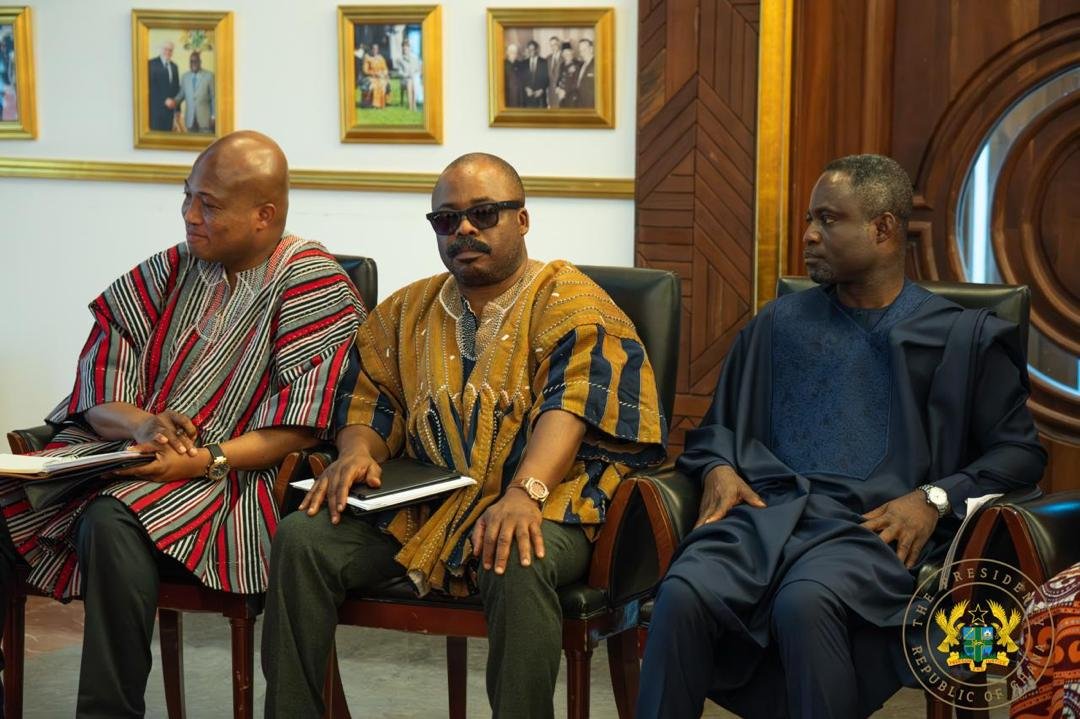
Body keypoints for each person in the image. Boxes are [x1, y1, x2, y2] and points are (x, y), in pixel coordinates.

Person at [636, 154, 1047, 718]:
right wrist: (719, 468)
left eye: (828, 220)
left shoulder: (964, 338)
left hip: (872, 533)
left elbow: (1020, 454)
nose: (808, 235)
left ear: (882, 229)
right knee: (682, 594)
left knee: (806, 601)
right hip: (764, 521)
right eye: (810, 218)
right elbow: (716, 432)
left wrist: (934, 498)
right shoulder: (775, 326)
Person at [261, 152, 667, 719]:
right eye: (446, 220)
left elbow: (570, 408)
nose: (465, 230)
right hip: (430, 505)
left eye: (483, 214)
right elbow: (371, 400)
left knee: (514, 552)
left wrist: (525, 494)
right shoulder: (408, 309)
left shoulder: (572, 302)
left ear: (522, 219)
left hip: (556, 502)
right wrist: (355, 454)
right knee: (302, 539)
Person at [0, 131, 365, 718]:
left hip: (230, 486)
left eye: (210, 205)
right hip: (121, 459)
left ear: (264, 215)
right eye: (188, 196)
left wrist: (204, 459)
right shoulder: (171, 267)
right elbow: (100, 384)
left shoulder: (314, 285)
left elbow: (301, 428)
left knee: (112, 518)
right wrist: (141, 424)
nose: (190, 215)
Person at [168, 50, 214, 133]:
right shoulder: (185, 77)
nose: (193, 63)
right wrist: (174, 101)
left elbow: (214, 98)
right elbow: (181, 94)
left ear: (200, 62)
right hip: (190, 120)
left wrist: (214, 116)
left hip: (205, 120)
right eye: (191, 61)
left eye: (196, 61)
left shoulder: (209, 76)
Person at [148, 41, 179, 131]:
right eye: (166, 49)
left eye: (170, 50)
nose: (168, 52)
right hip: (155, 111)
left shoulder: (174, 67)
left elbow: (176, 88)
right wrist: (164, 100)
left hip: (169, 112)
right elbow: (150, 87)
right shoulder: (151, 64)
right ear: (161, 50)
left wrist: (177, 109)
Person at [362, 43, 390, 109]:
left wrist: (384, 73)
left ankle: (382, 104)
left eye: (376, 49)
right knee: (375, 84)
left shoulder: (381, 58)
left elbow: (385, 68)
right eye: (373, 49)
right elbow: (365, 70)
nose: (375, 50)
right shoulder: (367, 58)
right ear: (371, 49)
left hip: (381, 77)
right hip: (371, 77)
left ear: (378, 50)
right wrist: (375, 74)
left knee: (382, 83)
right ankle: (375, 104)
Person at [397, 38, 422, 113]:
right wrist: (406, 74)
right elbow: (399, 72)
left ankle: (413, 105)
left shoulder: (414, 58)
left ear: (410, 48)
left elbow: (418, 69)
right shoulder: (400, 59)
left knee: (413, 81)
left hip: (414, 78)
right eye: (404, 47)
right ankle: (411, 106)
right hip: (404, 79)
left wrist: (414, 73)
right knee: (409, 82)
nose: (405, 48)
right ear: (402, 48)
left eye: (407, 47)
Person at [522, 40, 548, 108]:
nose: (531, 51)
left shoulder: (544, 62)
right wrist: (526, 88)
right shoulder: (524, 63)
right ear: (527, 50)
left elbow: (547, 79)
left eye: (533, 49)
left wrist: (541, 89)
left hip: (540, 97)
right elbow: (521, 79)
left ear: (536, 50)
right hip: (528, 97)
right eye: (529, 49)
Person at [571, 38, 596, 109]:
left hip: (591, 106)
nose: (582, 53)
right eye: (581, 51)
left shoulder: (597, 65)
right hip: (579, 104)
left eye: (584, 50)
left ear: (591, 49)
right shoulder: (580, 65)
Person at [554, 43, 580, 109]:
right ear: (562, 54)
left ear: (572, 52)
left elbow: (576, 82)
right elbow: (559, 78)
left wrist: (565, 91)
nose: (567, 55)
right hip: (561, 97)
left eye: (568, 53)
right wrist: (557, 87)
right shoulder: (562, 65)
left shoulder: (577, 64)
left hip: (572, 97)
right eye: (565, 53)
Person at [504, 43, 525, 108]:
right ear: (507, 52)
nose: (514, 54)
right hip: (509, 97)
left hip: (520, 96)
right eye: (511, 52)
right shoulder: (503, 64)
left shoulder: (520, 64)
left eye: (515, 52)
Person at [545, 36, 563, 109]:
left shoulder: (564, 57)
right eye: (551, 45)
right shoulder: (548, 58)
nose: (553, 47)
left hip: (561, 91)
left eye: (555, 44)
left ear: (558, 44)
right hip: (550, 93)